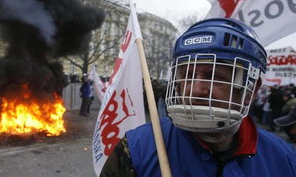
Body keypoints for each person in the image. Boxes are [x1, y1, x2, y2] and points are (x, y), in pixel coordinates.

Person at [100, 18, 296, 176]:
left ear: (250, 91)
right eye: (187, 75)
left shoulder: (284, 158)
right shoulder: (138, 149)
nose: (195, 89)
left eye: (214, 76)